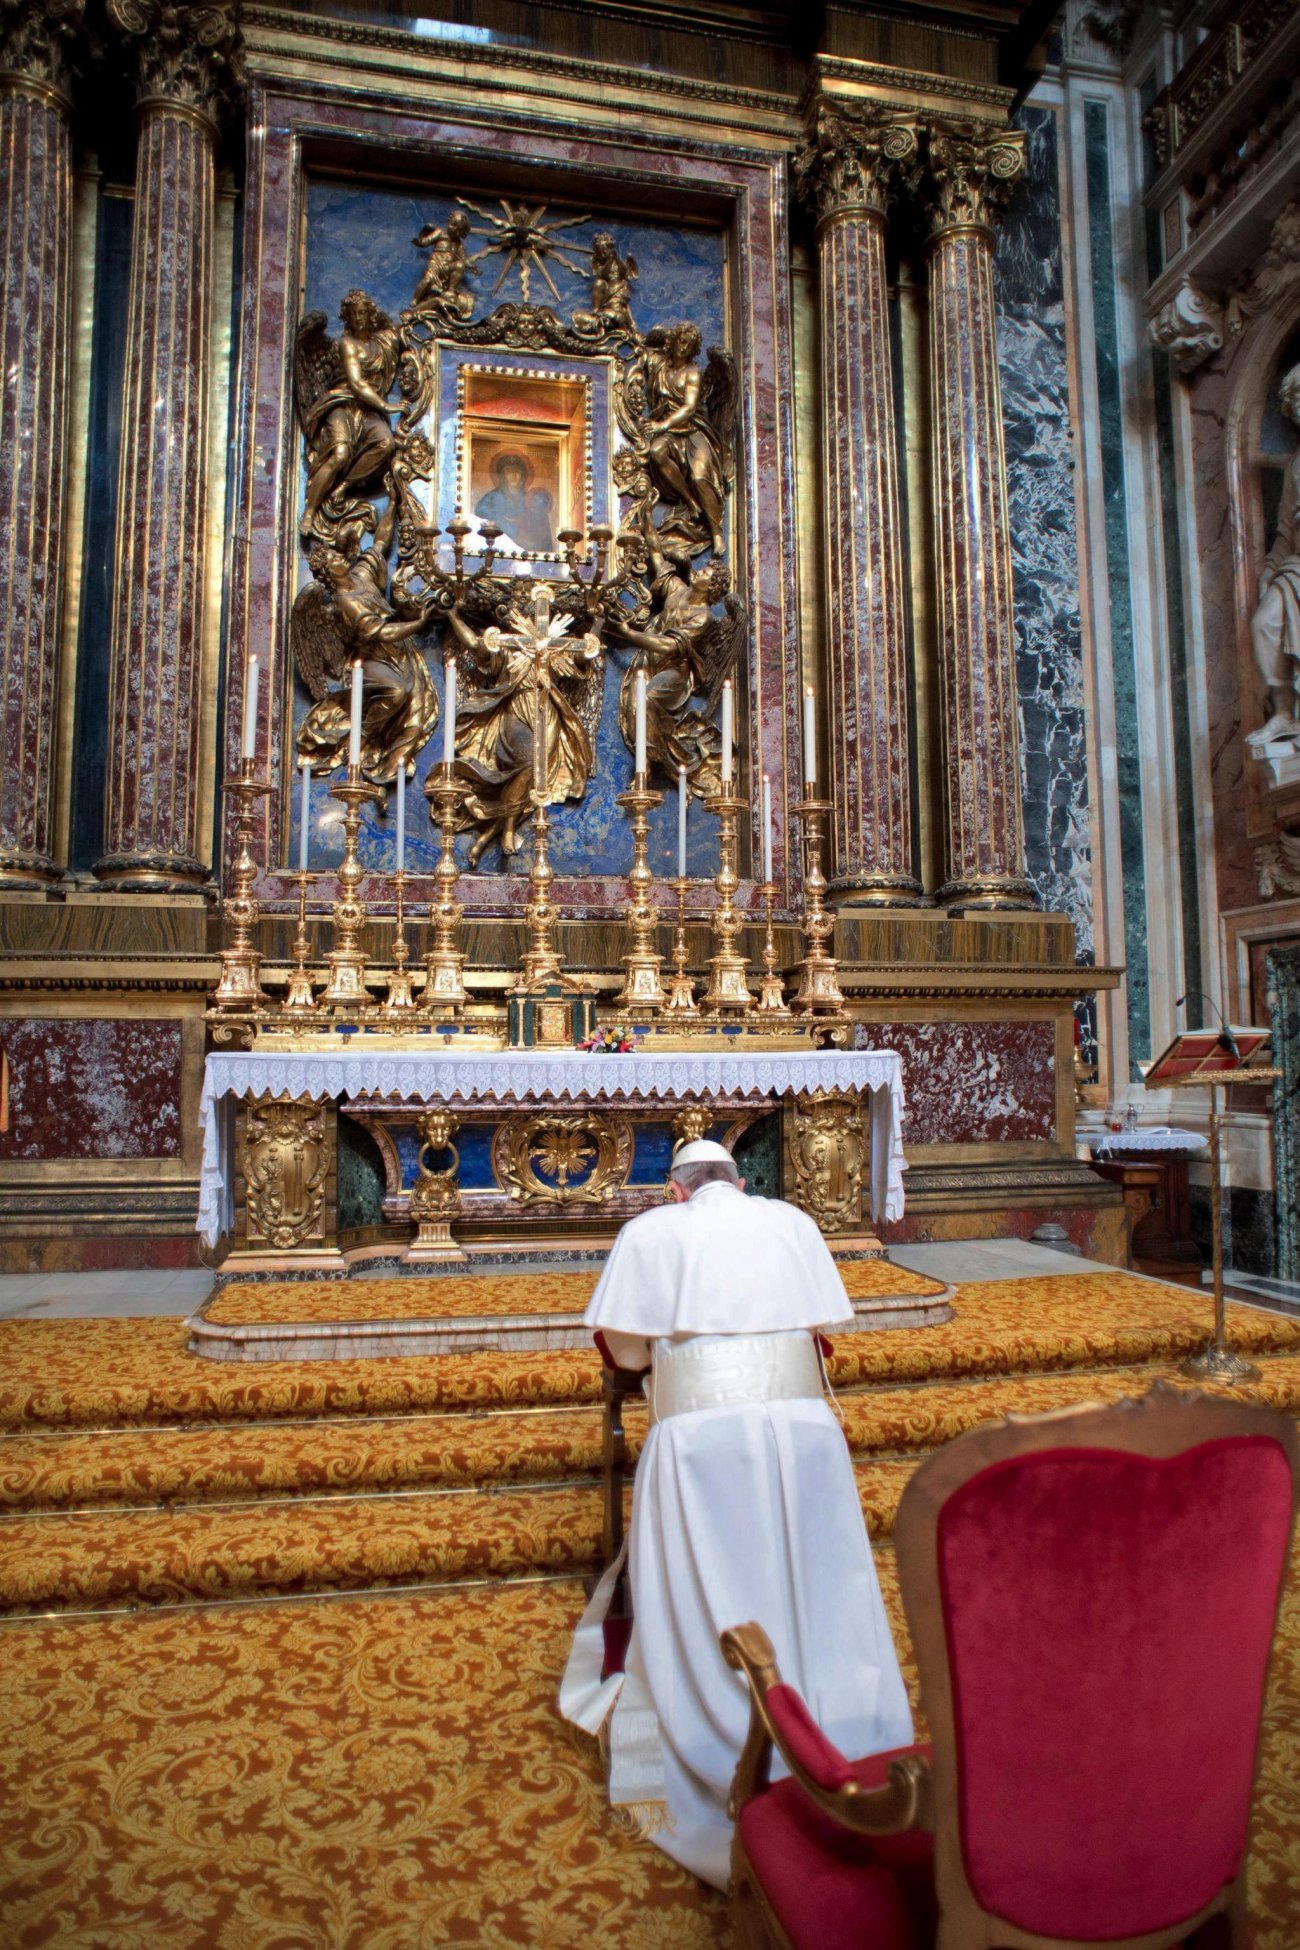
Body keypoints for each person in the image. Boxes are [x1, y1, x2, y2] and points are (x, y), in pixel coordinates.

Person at [559, 1139, 913, 1890]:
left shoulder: (650, 1233)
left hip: (701, 1442)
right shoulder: (792, 1223)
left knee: (713, 1585)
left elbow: (624, 1352)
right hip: (806, 1435)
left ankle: (720, 1740)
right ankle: (847, 1731)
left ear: (676, 1191)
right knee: (818, 1582)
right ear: (740, 1182)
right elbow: (820, 1328)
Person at [474, 451, 554, 553]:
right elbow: (482, 514)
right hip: (498, 550)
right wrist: (513, 530)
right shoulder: (491, 498)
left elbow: (542, 531)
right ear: (503, 475)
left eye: (517, 471)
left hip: (528, 553)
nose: (514, 475)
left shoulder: (531, 499)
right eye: (509, 471)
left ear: (523, 475)